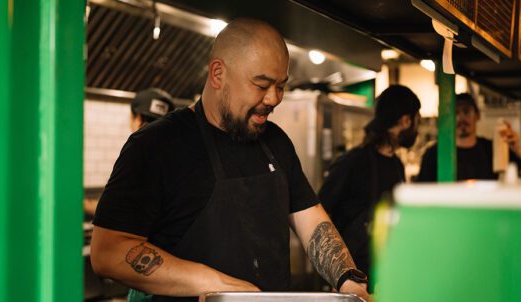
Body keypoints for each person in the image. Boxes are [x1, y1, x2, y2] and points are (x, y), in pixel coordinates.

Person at [90, 18, 370, 302]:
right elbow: (107, 252)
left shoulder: (276, 142)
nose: (274, 98)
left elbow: (311, 221)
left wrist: (347, 278)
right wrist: (217, 285)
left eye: (281, 86)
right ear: (218, 73)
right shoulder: (157, 145)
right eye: (261, 84)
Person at [318, 85, 421, 275]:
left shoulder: (397, 165)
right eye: (416, 121)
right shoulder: (352, 162)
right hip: (353, 275)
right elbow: (320, 214)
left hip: (386, 270)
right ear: (406, 121)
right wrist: (336, 271)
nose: (417, 128)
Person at [83, 88, 176, 218]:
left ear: (136, 118)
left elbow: (115, 209)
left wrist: (81, 204)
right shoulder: (174, 160)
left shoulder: (136, 157)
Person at [416, 93, 521, 182]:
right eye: (455, 113)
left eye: (466, 111)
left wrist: (519, 150)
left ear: (477, 115)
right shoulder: (434, 154)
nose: (461, 118)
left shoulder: (493, 149)